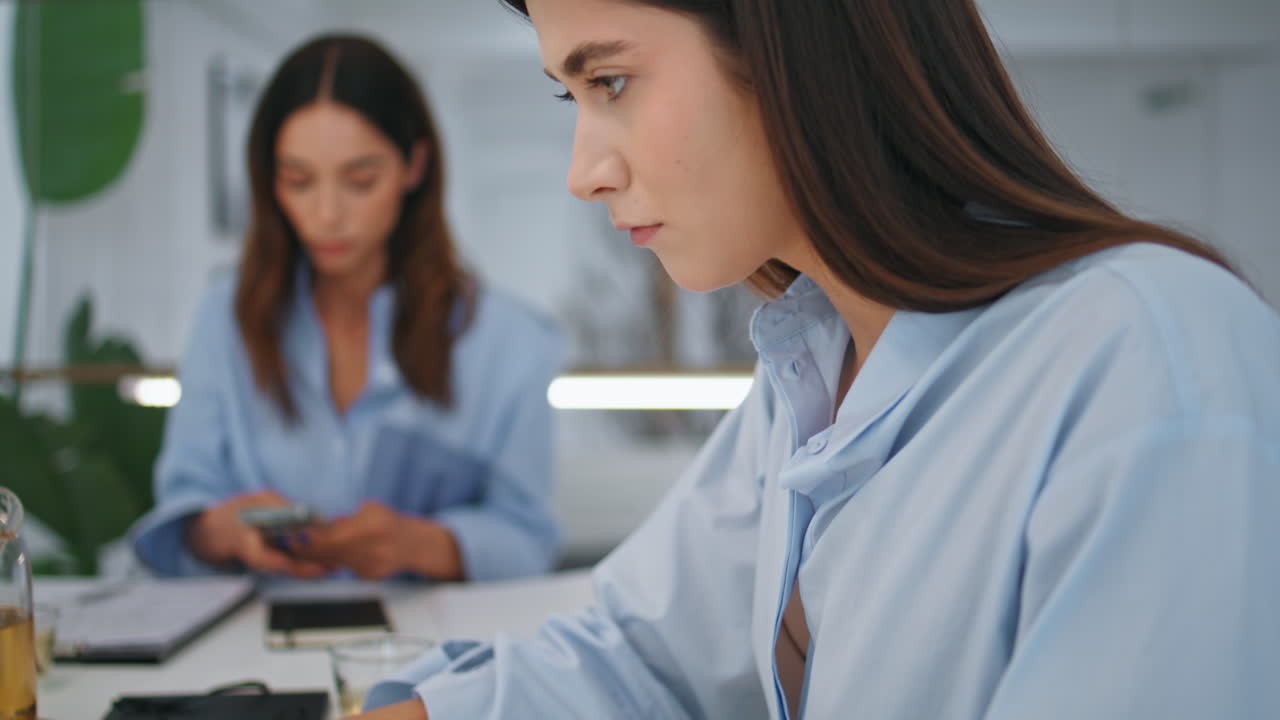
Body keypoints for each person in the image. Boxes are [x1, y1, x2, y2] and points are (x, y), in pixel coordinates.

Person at [355, 1, 1280, 718]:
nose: (583, 170)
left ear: (790, 53)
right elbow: (643, 659)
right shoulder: (814, 365)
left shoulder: (1151, 359)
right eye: (573, 95)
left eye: (612, 83)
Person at [130, 34, 563, 583]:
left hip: (430, 654)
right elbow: (182, 514)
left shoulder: (509, 341)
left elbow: (528, 540)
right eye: (298, 180)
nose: (327, 214)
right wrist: (226, 528)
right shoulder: (225, 319)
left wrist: (418, 544)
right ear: (270, 180)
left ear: (414, 165)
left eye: (360, 180)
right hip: (252, 651)